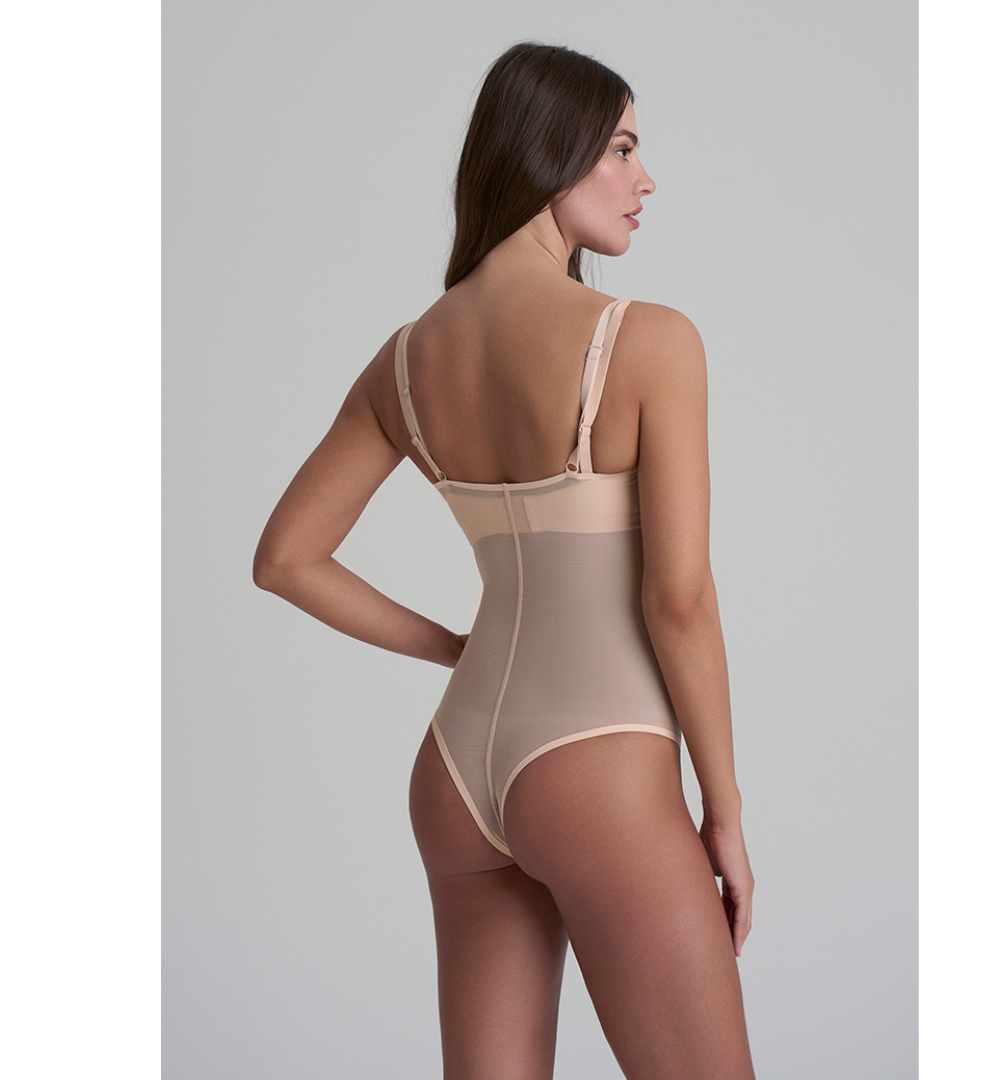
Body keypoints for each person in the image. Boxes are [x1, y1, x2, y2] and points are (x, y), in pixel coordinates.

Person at [254, 41, 756, 1080]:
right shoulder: (650, 340)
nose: (645, 180)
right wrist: (726, 811)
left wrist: (457, 650)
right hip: (601, 771)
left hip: (456, 768)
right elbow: (678, 602)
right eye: (622, 149)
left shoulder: (405, 360)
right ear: (549, 152)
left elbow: (287, 559)